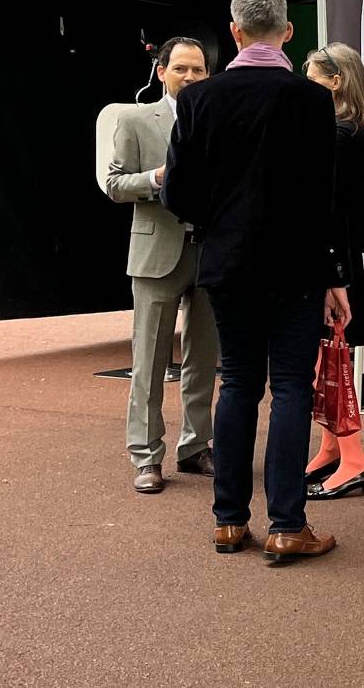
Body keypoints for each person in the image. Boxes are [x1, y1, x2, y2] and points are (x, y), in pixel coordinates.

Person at [163, 0, 349, 563]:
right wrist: (334, 274)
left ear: (235, 31)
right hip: (296, 263)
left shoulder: (199, 101)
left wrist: (220, 218)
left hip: (227, 259)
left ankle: (229, 520)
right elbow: (327, 200)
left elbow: (177, 193)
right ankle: (289, 522)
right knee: (291, 385)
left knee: (238, 381)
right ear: (288, 33)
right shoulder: (312, 101)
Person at [104, 36, 220, 494]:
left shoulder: (219, 119)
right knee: (148, 360)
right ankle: (146, 456)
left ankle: (196, 447)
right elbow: (114, 184)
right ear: (161, 72)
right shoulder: (134, 119)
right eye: (181, 69)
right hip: (156, 253)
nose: (190, 77)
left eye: (198, 70)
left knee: (204, 358)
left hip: (210, 251)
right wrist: (156, 178)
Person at [303, 43, 364, 500]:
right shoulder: (357, 128)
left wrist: (332, 268)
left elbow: (328, 206)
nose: (304, 85)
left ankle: (353, 458)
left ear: (336, 82)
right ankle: (333, 448)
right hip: (343, 254)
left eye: (312, 77)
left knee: (331, 360)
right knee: (335, 356)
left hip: (332, 258)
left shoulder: (338, 133)